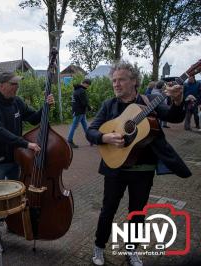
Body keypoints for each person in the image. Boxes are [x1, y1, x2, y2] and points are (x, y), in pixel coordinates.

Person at [86, 61, 191, 266]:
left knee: (138, 211)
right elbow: (92, 130)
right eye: (114, 80)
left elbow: (173, 116)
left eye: (121, 80)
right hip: (115, 167)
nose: (116, 84)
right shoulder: (109, 105)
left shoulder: (150, 100)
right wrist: (104, 137)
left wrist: (177, 101)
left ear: (134, 81)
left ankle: (132, 250)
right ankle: (99, 246)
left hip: (142, 169)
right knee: (108, 209)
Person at [0, 71, 54, 246]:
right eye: (13, 84)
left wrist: (45, 106)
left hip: (16, 159)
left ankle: (12, 225)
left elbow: (33, 118)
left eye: (17, 83)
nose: (17, 87)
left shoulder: (17, 102)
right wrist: (24, 143)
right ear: (1, 85)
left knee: (15, 196)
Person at [67, 78, 92, 148]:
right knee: (74, 126)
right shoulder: (82, 91)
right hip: (79, 112)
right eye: (88, 85)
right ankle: (69, 141)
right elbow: (84, 102)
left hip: (78, 111)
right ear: (85, 83)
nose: (88, 87)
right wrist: (90, 108)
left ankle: (91, 139)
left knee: (85, 126)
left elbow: (75, 101)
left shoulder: (76, 90)